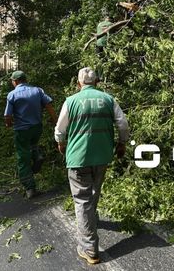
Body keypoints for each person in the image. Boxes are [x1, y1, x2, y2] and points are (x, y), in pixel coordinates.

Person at [55, 67, 129, 265]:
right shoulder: (108, 99)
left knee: (82, 199)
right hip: (102, 156)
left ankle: (89, 248)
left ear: (78, 84)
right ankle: (91, 221)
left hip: (78, 158)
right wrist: (121, 144)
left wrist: (61, 144)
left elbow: (60, 130)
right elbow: (123, 124)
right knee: (94, 192)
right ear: (97, 82)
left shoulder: (71, 101)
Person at [4, 70, 57, 199]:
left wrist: (9, 124)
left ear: (15, 81)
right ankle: (37, 155)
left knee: (23, 157)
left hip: (22, 130)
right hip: (37, 128)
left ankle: (30, 188)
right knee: (33, 144)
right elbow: (49, 106)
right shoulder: (38, 90)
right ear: (25, 80)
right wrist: (55, 121)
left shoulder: (12, 94)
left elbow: (7, 116)